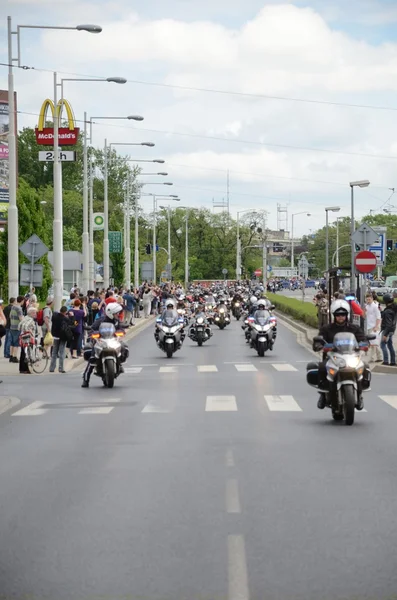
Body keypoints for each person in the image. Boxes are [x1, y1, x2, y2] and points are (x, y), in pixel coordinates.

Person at [314, 299, 367, 410]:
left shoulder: (354, 328)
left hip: (350, 356)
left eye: (343, 314)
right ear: (334, 316)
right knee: (322, 367)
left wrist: (364, 345)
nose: (340, 317)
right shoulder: (326, 329)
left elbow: (363, 339)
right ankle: (323, 395)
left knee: (365, 367)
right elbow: (318, 341)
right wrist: (320, 345)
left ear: (347, 315)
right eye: (338, 315)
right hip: (332, 358)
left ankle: (360, 394)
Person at [81, 302, 128, 388]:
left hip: (112, 340)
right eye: (116, 313)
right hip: (100, 341)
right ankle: (86, 378)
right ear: (111, 313)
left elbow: (120, 328)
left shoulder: (116, 321)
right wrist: (93, 333)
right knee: (92, 356)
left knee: (124, 347)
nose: (118, 314)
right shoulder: (101, 320)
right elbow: (92, 328)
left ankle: (120, 362)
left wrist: (122, 331)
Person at [49, 306, 72, 373]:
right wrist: (72, 317)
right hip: (63, 337)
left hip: (55, 336)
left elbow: (54, 316)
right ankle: (61, 368)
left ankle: (52, 368)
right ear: (65, 312)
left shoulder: (55, 316)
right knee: (61, 352)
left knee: (54, 352)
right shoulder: (65, 319)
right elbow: (74, 323)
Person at [18, 306, 39, 374]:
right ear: (32, 313)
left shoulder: (25, 318)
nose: (36, 314)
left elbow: (19, 326)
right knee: (28, 353)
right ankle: (26, 369)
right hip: (28, 337)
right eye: (35, 313)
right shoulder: (31, 320)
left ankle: (21, 369)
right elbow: (27, 327)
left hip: (22, 337)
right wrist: (29, 332)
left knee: (22, 353)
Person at [380, 293, 397, 366]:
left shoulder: (387, 311)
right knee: (390, 345)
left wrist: (385, 335)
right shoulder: (393, 308)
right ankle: (393, 361)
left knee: (383, 345)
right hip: (392, 329)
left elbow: (388, 324)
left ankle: (386, 361)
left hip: (387, 330)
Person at [365, 293, 382, 363]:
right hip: (369, 326)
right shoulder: (367, 306)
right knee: (374, 343)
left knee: (373, 343)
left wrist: (376, 326)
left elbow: (378, 317)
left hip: (373, 327)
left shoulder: (375, 306)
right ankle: (379, 357)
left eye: (369, 299)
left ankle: (372, 358)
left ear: (372, 299)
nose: (368, 300)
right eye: (367, 299)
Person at [9, 295, 24, 364]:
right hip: (17, 328)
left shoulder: (13, 307)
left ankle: (11, 356)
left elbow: (10, 316)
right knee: (16, 343)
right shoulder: (19, 308)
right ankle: (15, 357)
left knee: (12, 342)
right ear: (22, 301)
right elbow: (21, 319)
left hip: (12, 326)